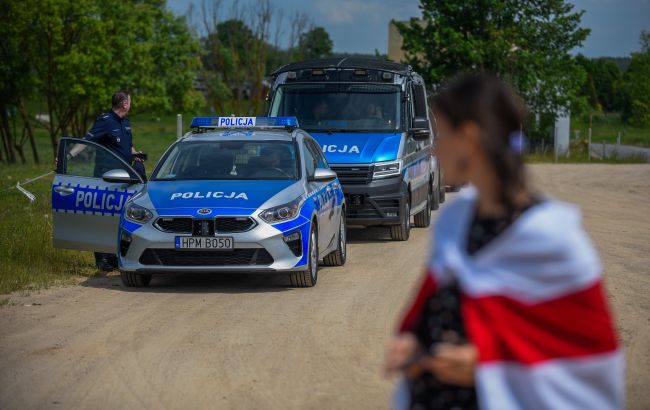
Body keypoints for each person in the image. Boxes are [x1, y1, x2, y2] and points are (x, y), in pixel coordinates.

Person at [384, 74, 623, 410]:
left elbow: (588, 359)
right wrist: (412, 339)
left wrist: (487, 366)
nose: (434, 147)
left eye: (442, 134)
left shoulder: (553, 236)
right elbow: (430, 307)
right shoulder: (455, 221)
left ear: (468, 137)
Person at [83, 91, 146, 271]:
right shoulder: (104, 121)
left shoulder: (126, 122)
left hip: (123, 179)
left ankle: (113, 256)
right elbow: (87, 141)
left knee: (119, 218)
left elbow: (128, 146)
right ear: (124, 104)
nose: (131, 105)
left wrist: (136, 154)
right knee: (102, 217)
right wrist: (68, 155)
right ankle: (101, 258)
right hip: (105, 178)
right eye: (130, 101)